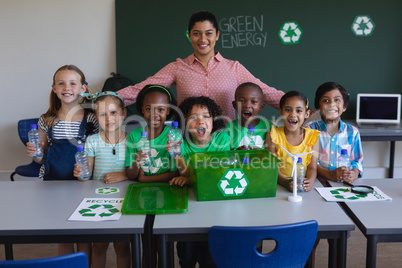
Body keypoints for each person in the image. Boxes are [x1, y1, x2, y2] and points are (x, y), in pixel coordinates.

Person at [117, 10, 284, 121]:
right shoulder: (178, 67)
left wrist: (299, 107)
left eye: (208, 33)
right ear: (189, 35)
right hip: (189, 141)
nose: (203, 39)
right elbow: (141, 89)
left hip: (226, 140)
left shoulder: (234, 68)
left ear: (217, 35)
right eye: (196, 33)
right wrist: (104, 100)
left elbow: (266, 92)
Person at [26, 64, 98, 261]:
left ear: (83, 88)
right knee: (63, 235)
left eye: (73, 83)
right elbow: (40, 158)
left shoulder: (92, 119)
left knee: (84, 236)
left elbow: (97, 149)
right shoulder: (46, 120)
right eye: (61, 83)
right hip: (53, 184)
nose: (67, 88)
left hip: (84, 184)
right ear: (54, 88)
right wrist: (34, 153)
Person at [169, 96, 229, 268]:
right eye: (193, 117)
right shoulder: (180, 144)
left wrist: (188, 179)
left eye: (206, 116)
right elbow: (186, 172)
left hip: (215, 208)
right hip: (189, 207)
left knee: (210, 258)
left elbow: (215, 175)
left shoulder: (222, 140)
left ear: (214, 120)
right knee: (187, 256)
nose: (200, 121)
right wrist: (177, 155)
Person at [73, 91, 130, 268]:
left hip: (124, 198)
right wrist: (80, 173)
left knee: (122, 247)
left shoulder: (133, 141)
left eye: (113, 113)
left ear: (123, 113)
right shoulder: (92, 141)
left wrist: (123, 175)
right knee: (98, 246)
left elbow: (139, 172)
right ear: (96, 117)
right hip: (98, 199)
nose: (108, 118)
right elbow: (86, 175)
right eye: (102, 114)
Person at [307, 82, 363, 182]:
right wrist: (329, 174)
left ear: (344, 106)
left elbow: (357, 160)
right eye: (326, 100)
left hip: (343, 185)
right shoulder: (310, 130)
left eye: (337, 100)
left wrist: (354, 173)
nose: (331, 104)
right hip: (317, 183)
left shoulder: (353, 132)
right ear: (318, 106)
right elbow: (308, 162)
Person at [265, 91, 320, 192]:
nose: (293, 114)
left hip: (301, 186)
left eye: (299, 111)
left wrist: (310, 180)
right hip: (279, 186)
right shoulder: (273, 135)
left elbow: (312, 167)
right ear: (280, 111)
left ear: (306, 114)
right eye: (288, 110)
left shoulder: (312, 137)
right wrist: (285, 182)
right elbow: (273, 167)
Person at [126, 84, 179, 182]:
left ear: (168, 111)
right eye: (149, 109)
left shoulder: (174, 136)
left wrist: (143, 178)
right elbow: (131, 175)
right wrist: (135, 163)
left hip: (168, 188)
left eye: (160, 109)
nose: (154, 114)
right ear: (142, 110)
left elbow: (175, 173)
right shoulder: (134, 135)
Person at [226, 82, 273, 150]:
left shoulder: (269, 128)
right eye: (242, 101)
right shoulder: (228, 129)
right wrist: (236, 153)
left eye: (253, 102)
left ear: (261, 106)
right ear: (235, 105)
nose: (247, 105)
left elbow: (275, 154)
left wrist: (260, 153)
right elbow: (225, 156)